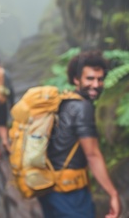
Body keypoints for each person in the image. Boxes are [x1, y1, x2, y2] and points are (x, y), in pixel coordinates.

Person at [37, 50, 121, 218]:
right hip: (69, 193)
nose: (96, 84)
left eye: (100, 79)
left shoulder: (65, 102)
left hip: (49, 190)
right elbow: (92, 154)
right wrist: (113, 194)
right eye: (90, 78)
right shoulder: (83, 107)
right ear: (76, 79)